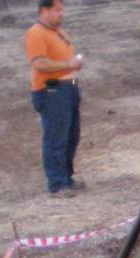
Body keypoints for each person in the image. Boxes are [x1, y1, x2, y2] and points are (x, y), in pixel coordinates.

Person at [25, 0, 84, 198]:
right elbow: (39, 63)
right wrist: (68, 63)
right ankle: (57, 184)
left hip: (69, 88)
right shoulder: (36, 33)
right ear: (44, 10)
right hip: (51, 91)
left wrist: (74, 65)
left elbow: (63, 59)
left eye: (62, 9)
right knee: (56, 138)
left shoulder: (58, 31)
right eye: (57, 10)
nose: (61, 14)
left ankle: (66, 177)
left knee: (71, 136)